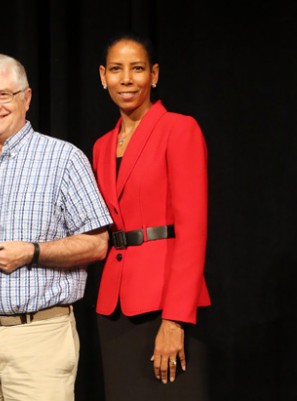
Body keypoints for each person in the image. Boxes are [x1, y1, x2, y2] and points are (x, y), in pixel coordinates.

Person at [0, 53, 113, 401]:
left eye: (3, 95)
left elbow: (97, 244)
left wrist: (31, 253)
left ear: (26, 98)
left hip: (39, 336)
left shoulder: (64, 159)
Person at [92, 33, 211, 400]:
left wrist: (175, 319)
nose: (126, 79)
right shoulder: (101, 145)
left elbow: (192, 230)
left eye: (137, 68)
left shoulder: (179, 128)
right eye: (116, 69)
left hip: (166, 304)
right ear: (102, 76)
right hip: (115, 309)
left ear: (154, 74)